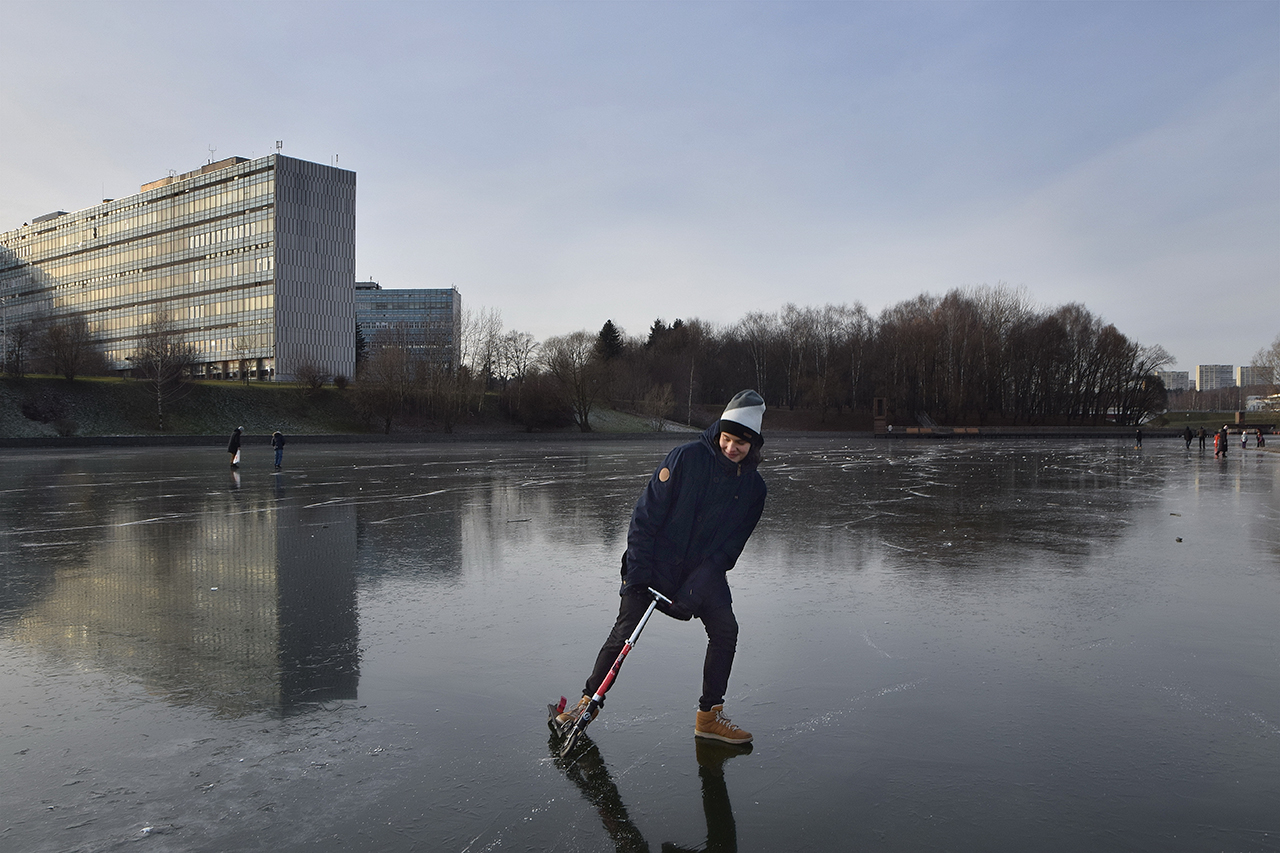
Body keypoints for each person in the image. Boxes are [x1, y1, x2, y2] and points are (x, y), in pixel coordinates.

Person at [557, 390, 769, 745]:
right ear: (719, 431)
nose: (731, 447)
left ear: (754, 445)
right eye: (727, 438)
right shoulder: (686, 458)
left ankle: (709, 716)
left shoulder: (754, 489)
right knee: (625, 632)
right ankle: (584, 705)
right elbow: (644, 519)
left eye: (740, 444)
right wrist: (637, 577)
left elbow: (728, 551)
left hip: (702, 573)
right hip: (653, 563)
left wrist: (694, 590)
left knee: (726, 630)